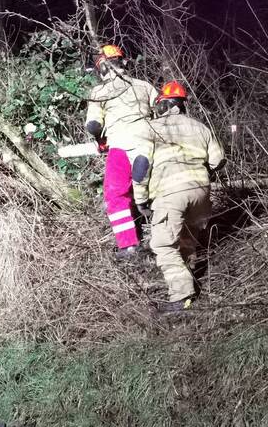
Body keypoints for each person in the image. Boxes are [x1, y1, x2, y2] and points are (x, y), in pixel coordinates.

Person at [131, 81, 226, 312]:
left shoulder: (150, 129)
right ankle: (188, 275)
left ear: (162, 104)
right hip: (200, 191)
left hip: (169, 193)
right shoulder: (200, 126)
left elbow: (141, 166)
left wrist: (141, 199)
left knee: (164, 244)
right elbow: (218, 160)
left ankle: (182, 295)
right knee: (187, 237)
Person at [84, 44, 158, 259]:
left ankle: (129, 245)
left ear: (101, 67)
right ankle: (166, 237)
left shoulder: (99, 91)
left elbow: (93, 125)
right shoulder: (144, 86)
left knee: (116, 194)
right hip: (149, 142)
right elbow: (162, 112)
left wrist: (100, 138)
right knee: (157, 188)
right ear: (123, 62)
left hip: (120, 145)